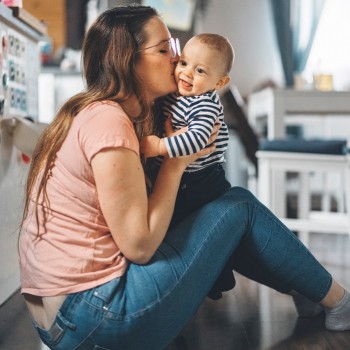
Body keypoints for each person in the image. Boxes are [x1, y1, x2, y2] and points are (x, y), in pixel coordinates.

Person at [18, 5, 350, 350]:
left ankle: (307, 288)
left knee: (217, 208)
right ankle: (339, 301)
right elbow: (140, 246)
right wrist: (178, 163)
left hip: (68, 320)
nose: (177, 62)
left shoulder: (98, 113)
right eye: (164, 50)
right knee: (238, 207)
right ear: (128, 60)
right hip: (96, 319)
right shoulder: (108, 122)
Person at [141, 33, 236, 299]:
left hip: (202, 180)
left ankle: (215, 280)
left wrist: (159, 146)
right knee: (182, 227)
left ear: (219, 82)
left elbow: (195, 141)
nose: (186, 74)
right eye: (183, 63)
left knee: (199, 229)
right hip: (183, 176)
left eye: (200, 70)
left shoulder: (205, 105)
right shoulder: (179, 93)